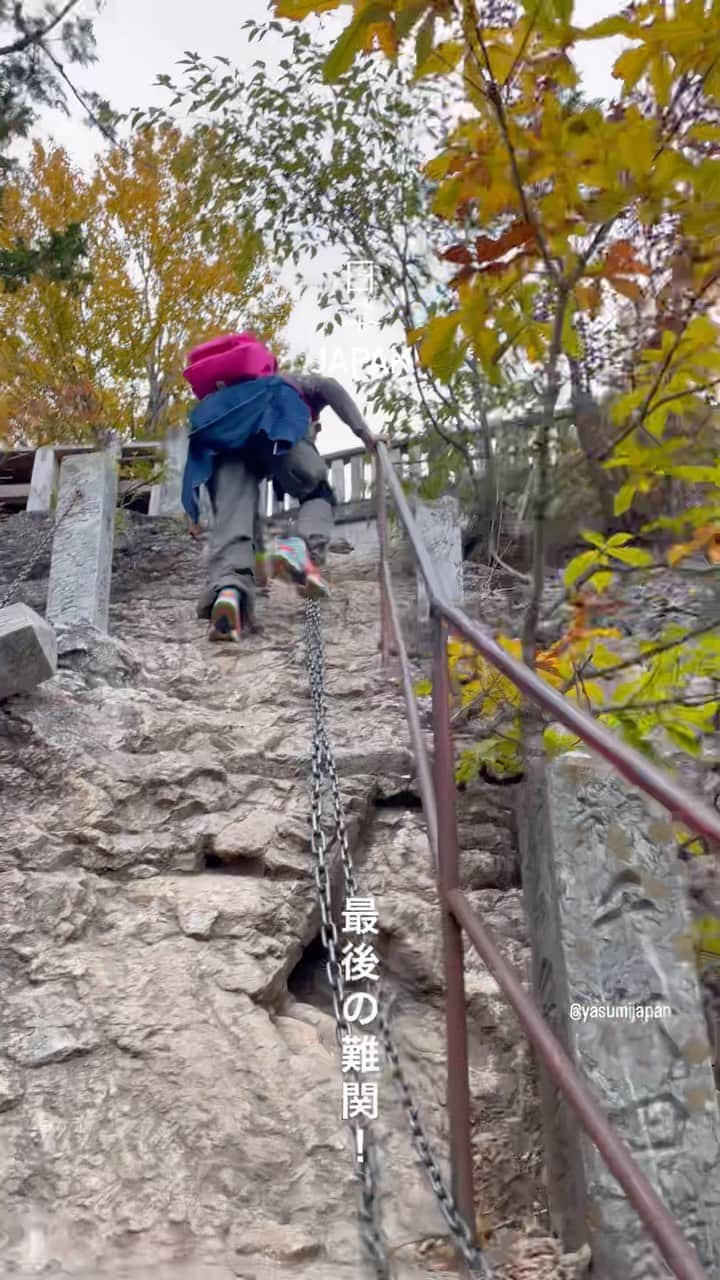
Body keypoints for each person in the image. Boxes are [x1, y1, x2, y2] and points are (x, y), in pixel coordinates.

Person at [180, 333, 380, 642]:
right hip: (276, 412)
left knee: (234, 520)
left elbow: (199, 461)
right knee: (316, 489)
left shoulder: (228, 399)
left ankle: (229, 594)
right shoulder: (287, 384)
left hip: (219, 433)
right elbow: (328, 385)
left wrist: (192, 514)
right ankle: (302, 550)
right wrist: (365, 435)